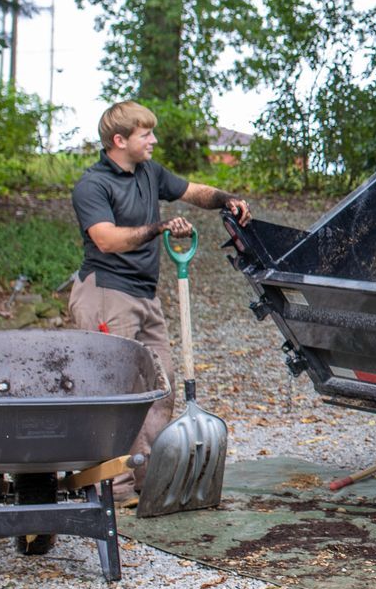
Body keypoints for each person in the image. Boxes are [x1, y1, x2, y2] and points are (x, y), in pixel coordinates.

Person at [69, 101, 253, 498]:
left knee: (161, 385)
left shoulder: (149, 172)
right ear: (119, 141)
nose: (153, 140)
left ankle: (147, 477)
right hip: (107, 294)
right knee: (115, 389)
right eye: (145, 134)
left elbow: (193, 191)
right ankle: (114, 488)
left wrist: (227, 198)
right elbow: (106, 238)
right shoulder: (93, 185)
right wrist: (158, 228)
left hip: (144, 295)